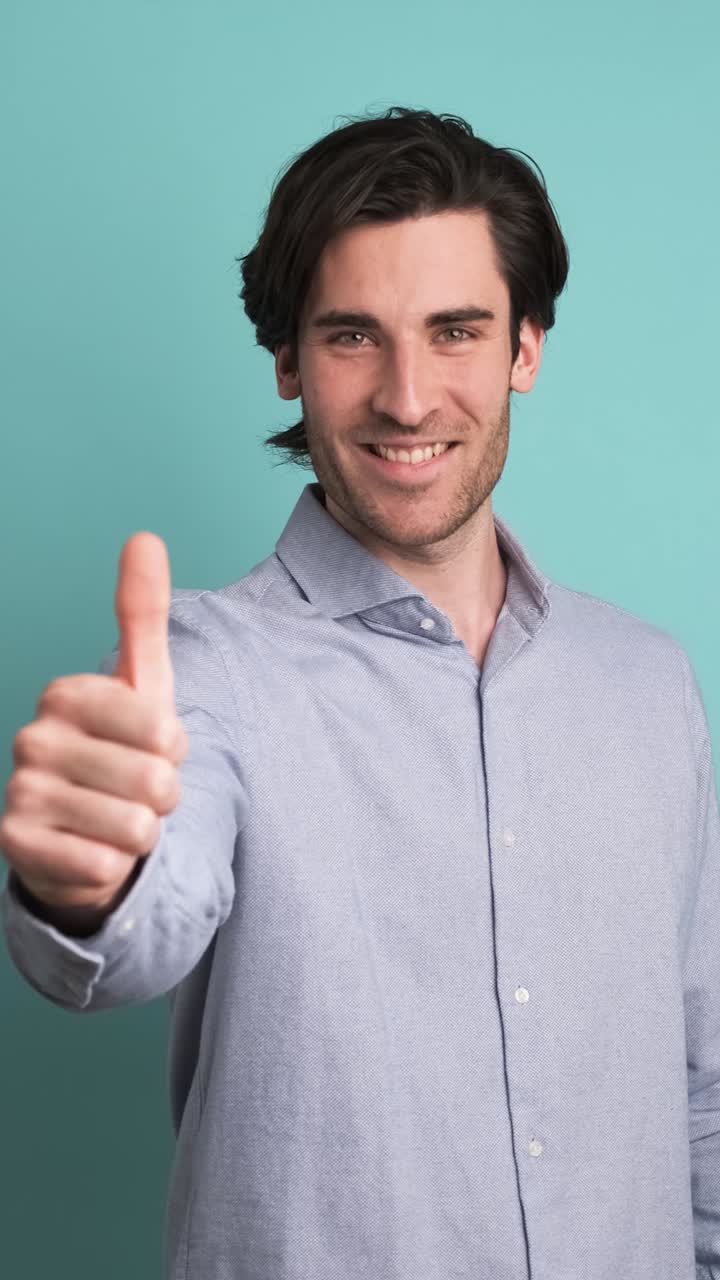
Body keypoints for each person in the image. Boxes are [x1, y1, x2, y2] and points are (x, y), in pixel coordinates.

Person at [0, 106, 717, 1280]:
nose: (408, 395)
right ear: (288, 359)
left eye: (456, 331)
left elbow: (704, 1085)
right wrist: (84, 882)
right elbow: (130, 928)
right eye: (351, 337)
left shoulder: (650, 684)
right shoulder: (205, 670)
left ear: (525, 347)